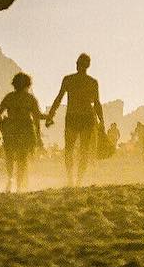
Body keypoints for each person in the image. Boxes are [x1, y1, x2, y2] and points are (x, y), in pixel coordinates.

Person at [45, 53, 105, 187]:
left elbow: (59, 98)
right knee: (81, 150)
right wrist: (102, 121)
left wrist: (51, 115)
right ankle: (76, 180)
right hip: (83, 117)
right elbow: (97, 103)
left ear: (80, 64)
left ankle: (72, 180)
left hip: (76, 117)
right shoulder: (91, 82)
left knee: (71, 149)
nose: (78, 65)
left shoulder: (70, 80)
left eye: (79, 63)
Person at [0, 72, 45, 193]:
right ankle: (18, 185)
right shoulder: (30, 98)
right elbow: (37, 117)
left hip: (11, 129)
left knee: (10, 156)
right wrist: (39, 133)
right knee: (22, 158)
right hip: (25, 129)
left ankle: (11, 179)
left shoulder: (9, 97)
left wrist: (2, 126)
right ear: (28, 85)